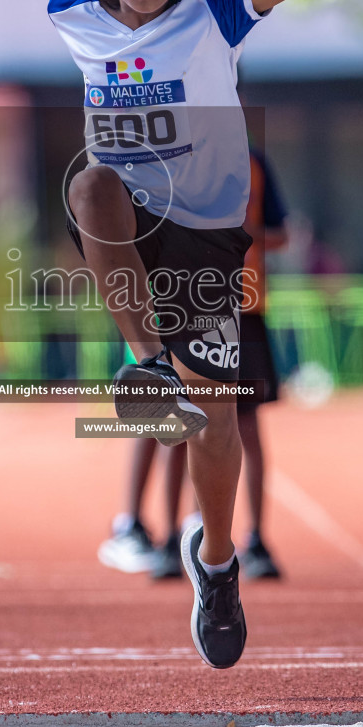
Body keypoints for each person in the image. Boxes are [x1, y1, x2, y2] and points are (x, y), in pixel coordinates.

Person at [50, 0, 333, 669]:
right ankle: (143, 364)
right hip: (130, 221)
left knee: (217, 427)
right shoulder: (71, 6)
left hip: (207, 236)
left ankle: (216, 562)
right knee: (93, 182)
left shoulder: (216, 7)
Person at [97, 148, 292, 581]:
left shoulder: (254, 163)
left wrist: (240, 232)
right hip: (180, 304)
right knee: (174, 423)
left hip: (245, 306)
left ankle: (255, 538)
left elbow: (282, 234)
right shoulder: (169, 158)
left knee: (246, 426)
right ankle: (171, 538)